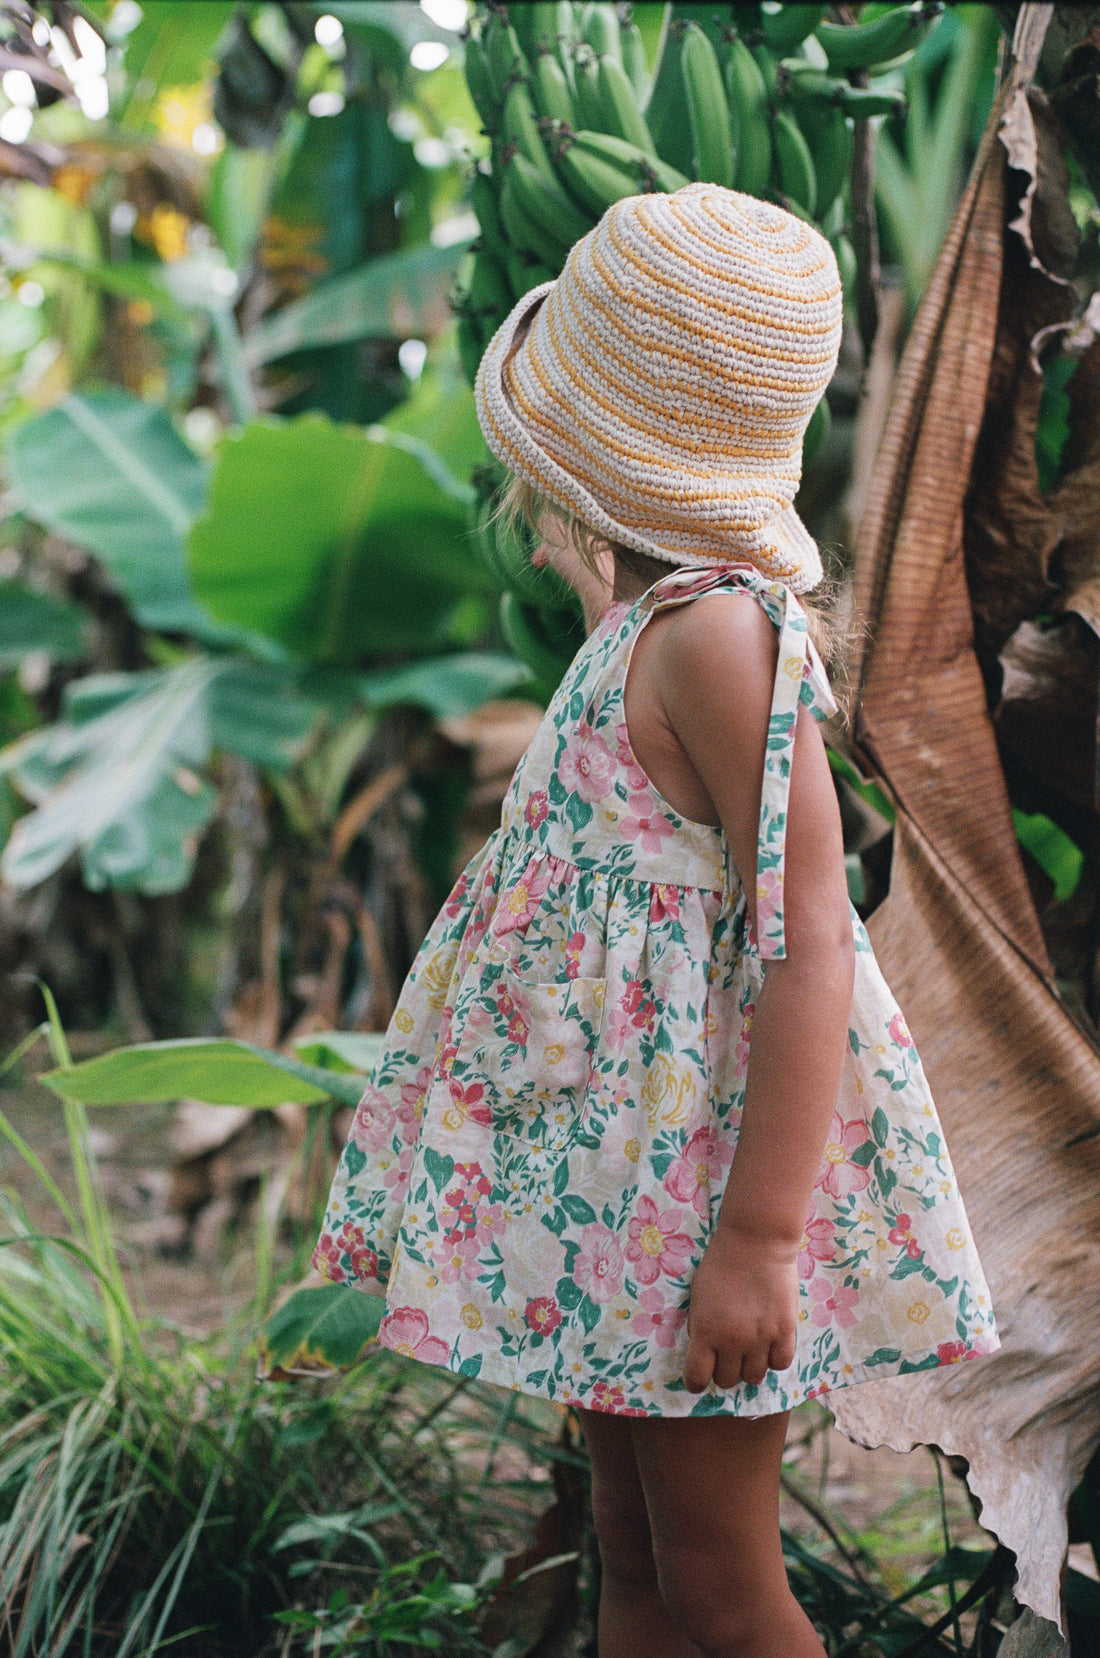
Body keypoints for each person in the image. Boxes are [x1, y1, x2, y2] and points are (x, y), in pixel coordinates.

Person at [313, 185, 998, 1658]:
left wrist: (757, 1238)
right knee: (634, 1545)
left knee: (722, 1584)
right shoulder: (647, 622)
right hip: (616, 1193)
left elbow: (809, 932)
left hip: (695, 1204)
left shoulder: (724, 635)